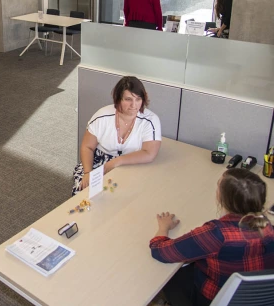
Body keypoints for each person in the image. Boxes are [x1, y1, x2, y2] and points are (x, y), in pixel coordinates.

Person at [150, 169, 274, 306]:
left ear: (222, 198)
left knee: (171, 275)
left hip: (213, 298)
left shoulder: (217, 234)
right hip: (255, 297)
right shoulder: (267, 226)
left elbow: (160, 251)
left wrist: (163, 227)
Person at [72, 76, 161, 196]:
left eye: (138, 99)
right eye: (128, 99)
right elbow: (87, 147)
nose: (134, 105)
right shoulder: (102, 116)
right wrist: (88, 172)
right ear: (118, 98)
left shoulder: (151, 120)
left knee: (126, 198)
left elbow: (149, 153)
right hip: (98, 161)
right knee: (85, 194)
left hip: (131, 162)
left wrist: (116, 162)